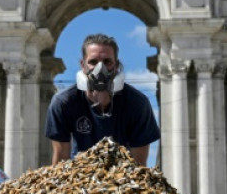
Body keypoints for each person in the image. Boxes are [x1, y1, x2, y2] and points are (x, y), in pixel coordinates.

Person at [45, 33, 160, 165]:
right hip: (79, 172)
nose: (100, 69)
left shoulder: (137, 104)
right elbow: (61, 160)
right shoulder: (64, 103)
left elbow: (139, 164)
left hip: (123, 172)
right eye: (93, 62)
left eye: (107, 62)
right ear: (83, 65)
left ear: (116, 65)